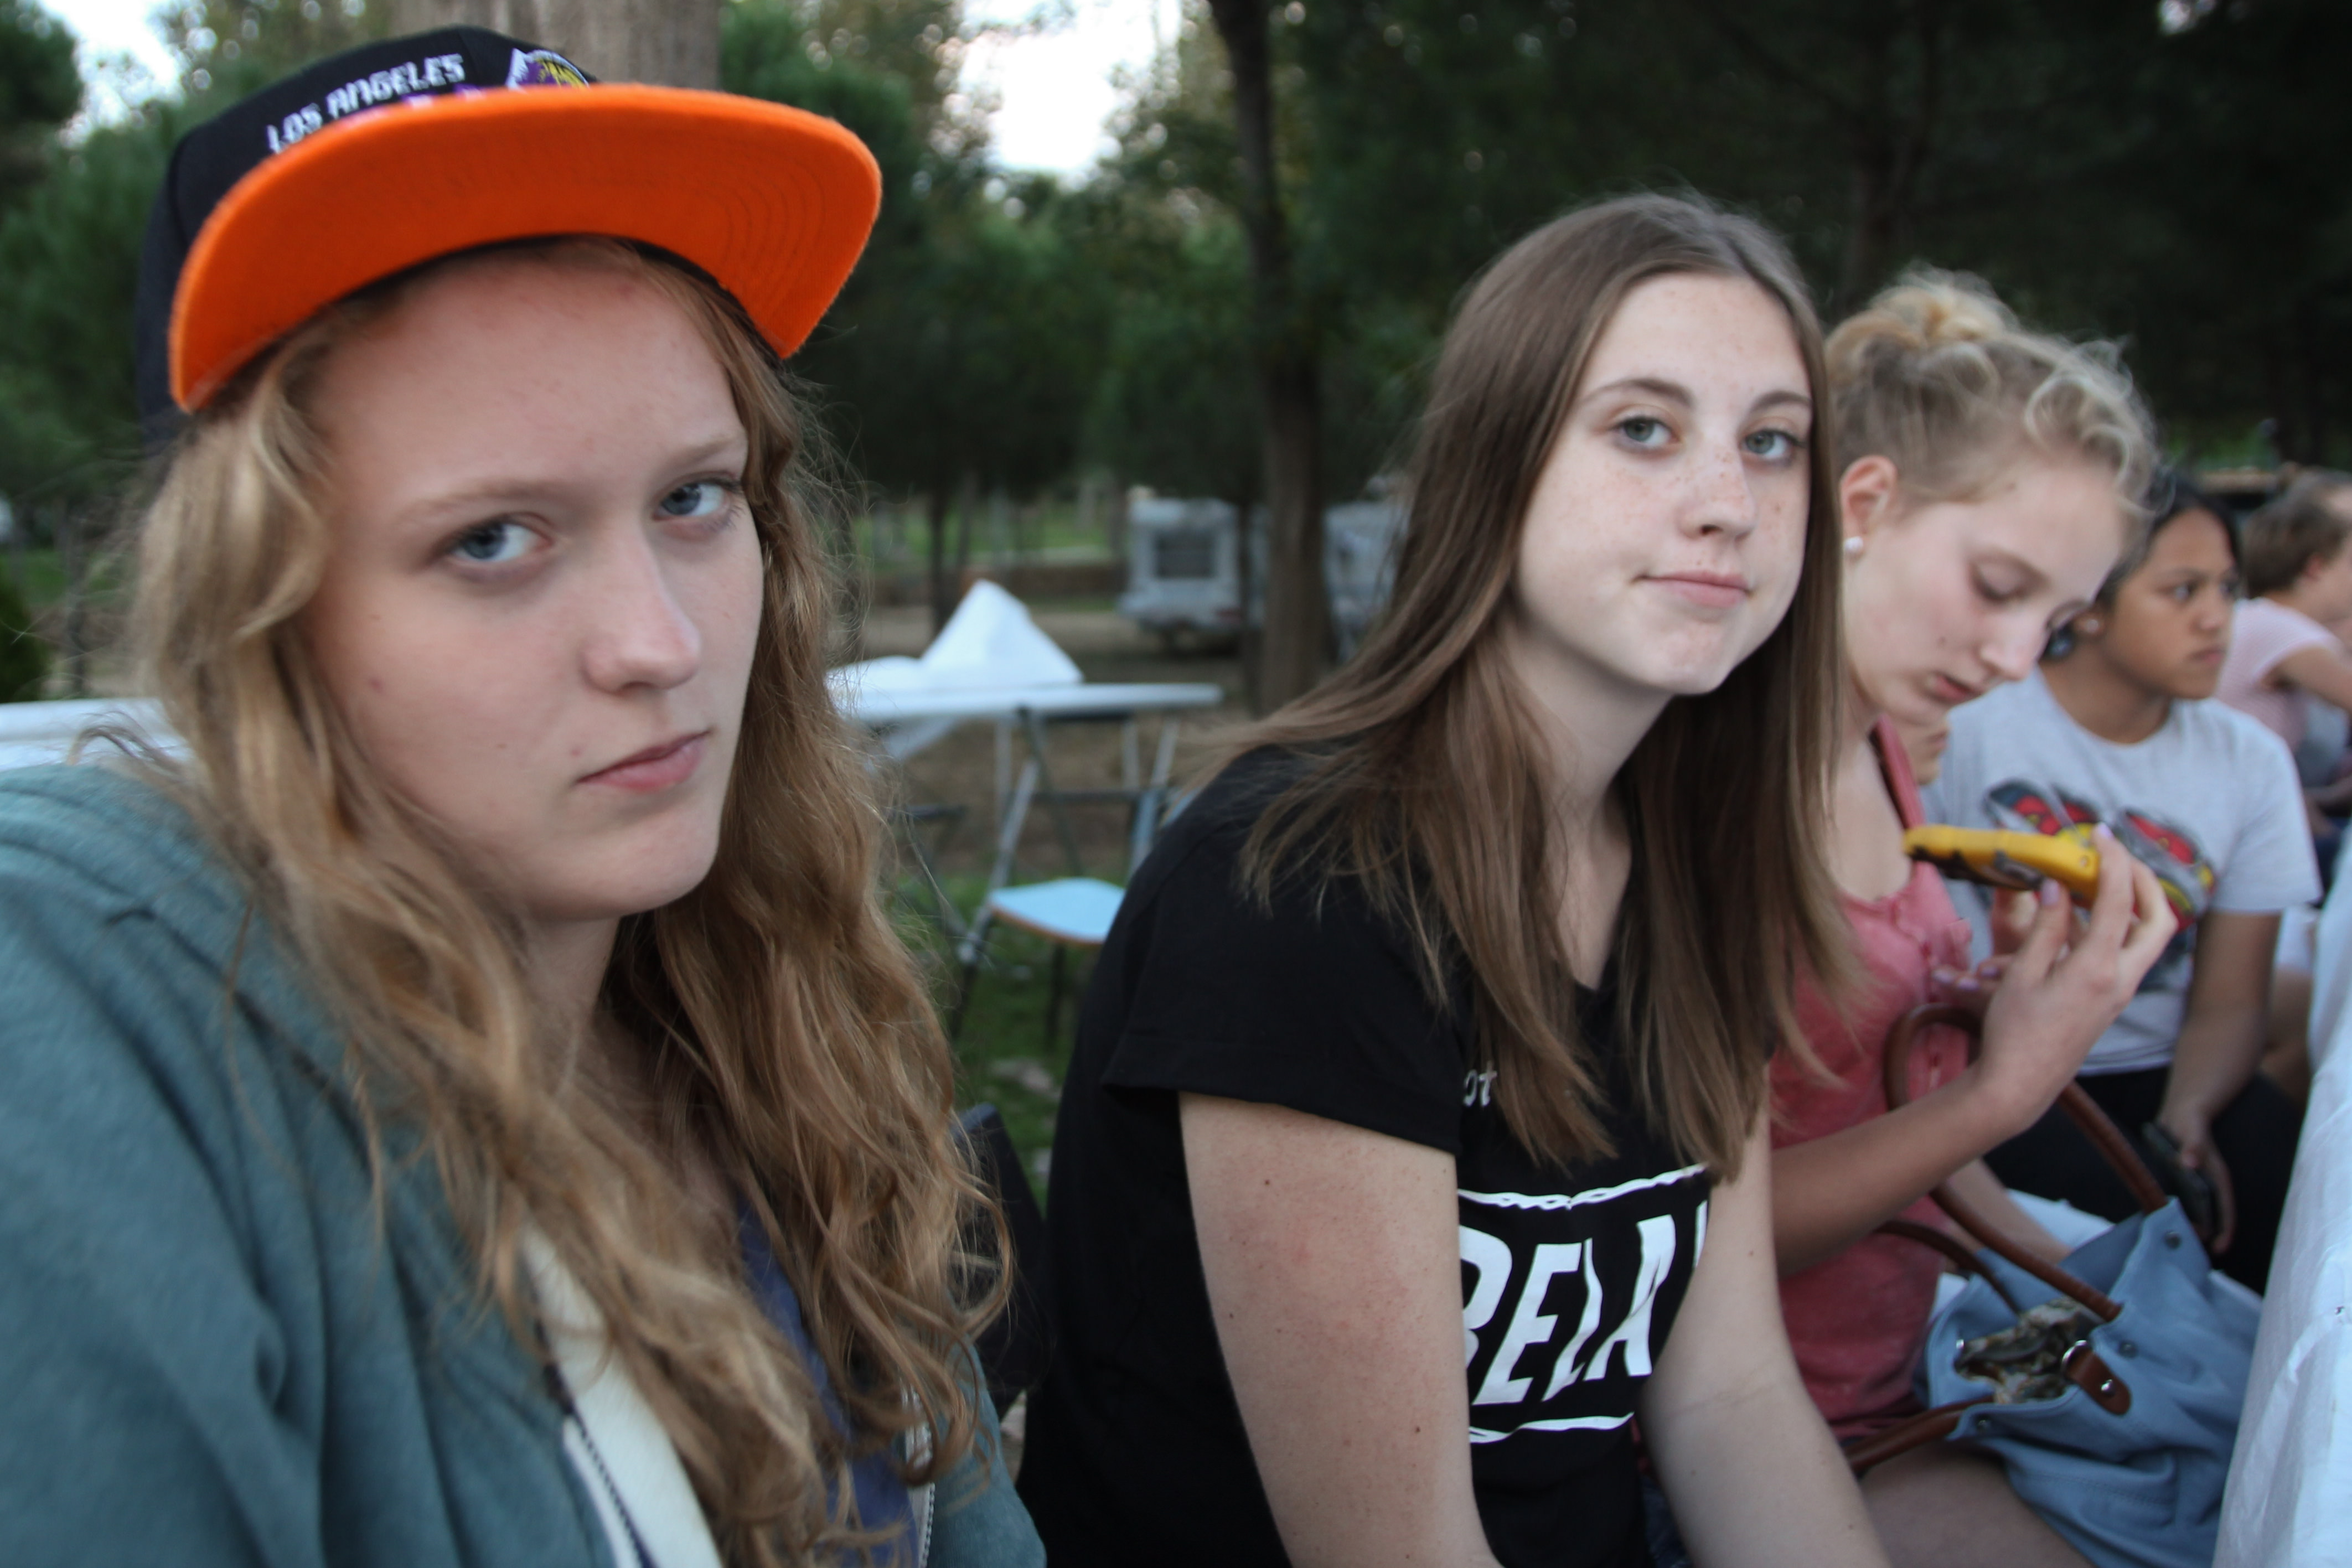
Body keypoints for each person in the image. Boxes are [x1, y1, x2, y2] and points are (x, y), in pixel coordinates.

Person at [0, 30, 1040, 1568]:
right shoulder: (102, 998)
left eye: (693, 498)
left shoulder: (787, 1040)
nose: (660, 644)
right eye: (493, 539)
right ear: (260, 607)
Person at [1018, 194, 1888, 1568]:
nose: (1728, 502)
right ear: (1496, 459)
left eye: (1771, 441)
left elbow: (1728, 1398)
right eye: (1643, 428)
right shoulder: (1298, 891)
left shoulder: (1689, 866)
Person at [1767, 272, 2176, 1568]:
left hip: (1888, 1382)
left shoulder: (1885, 749)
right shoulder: (1726, 804)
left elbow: (1870, 1101)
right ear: (1864, 504)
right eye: (1996, 585)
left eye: (2050, 623)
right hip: (1749, 1443)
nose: (2011, 658)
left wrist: (1986, 1019)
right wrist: (2007, 1088)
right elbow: (1703, 1237)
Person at [1927, 472, 2318, 1292]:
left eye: (2227, 589)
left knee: (2269, 1174)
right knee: (2112, 1226)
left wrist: (2188, 1114)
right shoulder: (1968, 727)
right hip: (1994, 1063)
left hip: (2165, 1063)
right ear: (2089, 605)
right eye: (2181, 591)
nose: (2215, 618)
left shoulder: (2248, 760)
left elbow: (2231, 999)